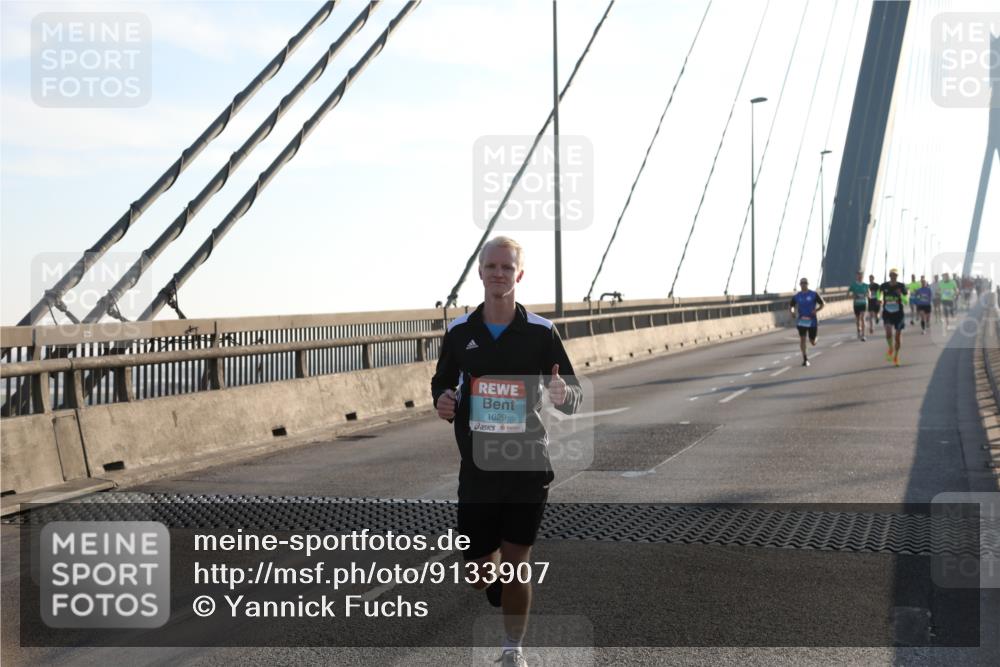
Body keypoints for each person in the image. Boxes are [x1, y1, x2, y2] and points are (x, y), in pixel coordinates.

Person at [432, 236, 583, 667]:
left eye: (506, 267)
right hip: (477, 470)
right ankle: (494, 582)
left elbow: (572, 396)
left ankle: (512, 649)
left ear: (519, 274)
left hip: (526, 465)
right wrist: (443, 401)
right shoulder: (460, 333)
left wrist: (560, 392)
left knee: (517, 563)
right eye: (491, 266)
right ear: (479, 273)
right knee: (479, 575)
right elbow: (442, 383)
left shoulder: (540, 331)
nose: (498, 273)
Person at [789, 277, 825, 366]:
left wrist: (816, 310)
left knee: (812, 342)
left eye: (805, 283)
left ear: (808, 284)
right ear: (800, 285)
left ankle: (815, 339)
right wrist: (792, 312)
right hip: (802, 321)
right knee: (802, 339)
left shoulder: (814, 294)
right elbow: (791, 305)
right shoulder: (797, 296)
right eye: (802, 283)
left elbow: (822, 304)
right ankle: (805, 359)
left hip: (812, 321)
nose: (803, 284)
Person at [880, 268, 908, 366]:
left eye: (895, 275)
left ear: (897, 276)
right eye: (892, 275)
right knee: (888, 332)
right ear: (889, 275)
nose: (893, 276)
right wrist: (879, 300)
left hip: (899, 313)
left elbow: (906, 297)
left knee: (897, 336)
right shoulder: (884, 286)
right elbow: (879, 294)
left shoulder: (901, 286)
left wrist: (903, 297)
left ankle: (896, 356)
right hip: (887, 312)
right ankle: (891, 348)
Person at [847, 271, 869, 341]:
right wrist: (853, 296)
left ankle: (863, 335)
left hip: (864, 303)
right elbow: (847, 294)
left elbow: (869, 294)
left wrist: (867, 295)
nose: (860, 277)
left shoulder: (866, 285)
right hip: (856, 304)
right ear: (856, 276)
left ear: (862, 277)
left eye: (861, 276)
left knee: (863, 318)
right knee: (857, 319)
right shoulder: (853, 285)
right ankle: (858, 330)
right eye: (858, 276)